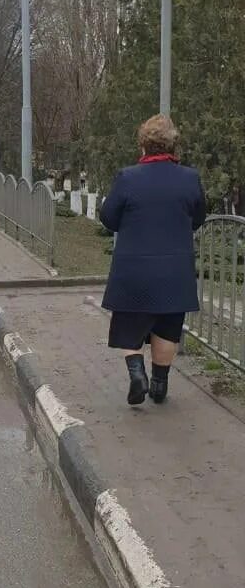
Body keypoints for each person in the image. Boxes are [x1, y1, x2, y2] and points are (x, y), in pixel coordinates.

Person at [100, 114, 206, 406]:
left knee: (129, 327)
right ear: (174, 146)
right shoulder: (190, 178)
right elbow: (198, 218)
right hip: (174, 270)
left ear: (143, 145)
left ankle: (138, 376)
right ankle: (159, 385)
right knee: (167, 329)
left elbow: (109, 219)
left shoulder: (128, 177)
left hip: (134, 270)